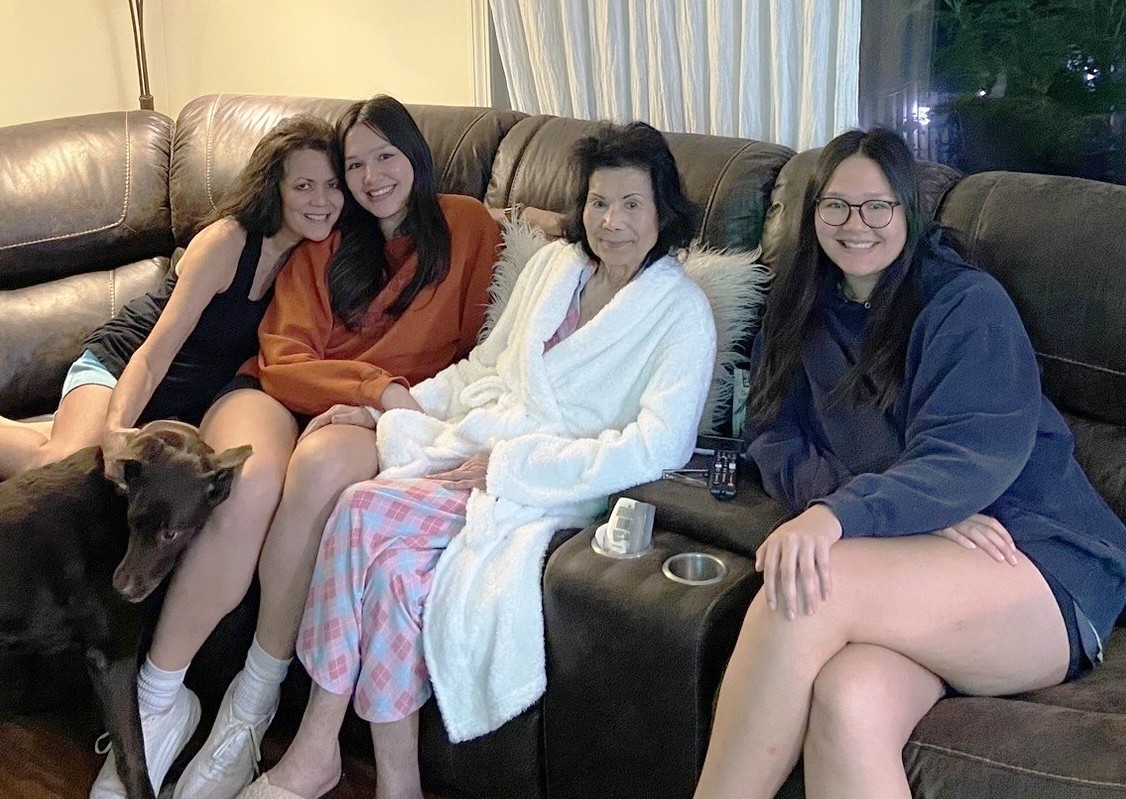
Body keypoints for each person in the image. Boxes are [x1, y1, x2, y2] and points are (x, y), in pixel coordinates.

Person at [237, 120, 717, 799]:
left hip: (554, 483)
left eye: (631, 204)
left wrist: (513, 466)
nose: (611, 222)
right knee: (394, 578)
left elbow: (659, 446)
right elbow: (483, 368)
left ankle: (315, 749)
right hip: (481, 448)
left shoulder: (682, 312)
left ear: (662, 209)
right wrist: (390, 412)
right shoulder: (554, 268)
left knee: (359, 508)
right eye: (598, 202)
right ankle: (399, 787)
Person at [87, 95, 505, 799]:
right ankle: (157, 703)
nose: (371, 179)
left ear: (415, 156)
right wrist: (373, 385)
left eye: (385, 157)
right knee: (243, 483)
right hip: (285, 390)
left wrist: (384, 406)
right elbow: (282, 358)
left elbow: (478, 354)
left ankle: (249, 709)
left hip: (376, 418)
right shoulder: (328, 241)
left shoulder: (469, 226)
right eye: (355, 165)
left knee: (315, 469)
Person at [692, 128, 1126, 799]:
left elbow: (967, 459)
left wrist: (844, 517)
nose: (856, 224)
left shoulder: (966, 303)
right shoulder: (800, 307)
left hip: (1037, 560)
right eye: (837, 205)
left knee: (806, 583)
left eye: (878, 206)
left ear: (907, 212)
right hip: (922, 565)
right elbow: (774, 439)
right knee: (849, 703)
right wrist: (893, 513)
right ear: (813, 213)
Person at [0, 115, 343, 480]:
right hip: (125, 364)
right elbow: (153, 355)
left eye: (332, 185)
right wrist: (115, 429)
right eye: (303, 186)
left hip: (180, 399)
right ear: (273, 188)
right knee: (64, 463)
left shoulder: (312, 258)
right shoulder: (226, 242)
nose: (321, 200)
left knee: (76, 445)